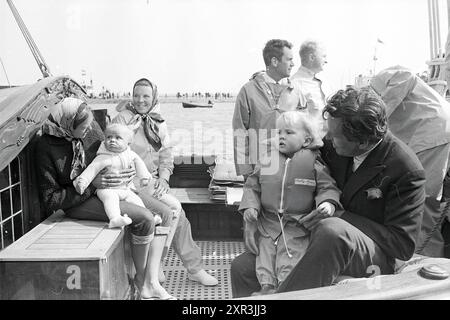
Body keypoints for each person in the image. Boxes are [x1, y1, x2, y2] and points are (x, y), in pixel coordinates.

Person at [230, 87, 426, 297]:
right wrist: (253, 217)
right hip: (309, 238)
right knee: (242, 267)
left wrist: (339, 215)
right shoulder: (333, 144)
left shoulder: (406, 169)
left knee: (333, 230)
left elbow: (401, 246)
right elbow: (285, 165)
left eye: (333, 135)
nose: (325, 139)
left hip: (372, 256)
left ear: (362, 141)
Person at [35, 97, 176, 300]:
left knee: (164, 212)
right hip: (78, 201)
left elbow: (116, 149)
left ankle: (151, 280)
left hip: (117, 188)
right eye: (82, 127)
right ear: (68, 123)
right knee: (145, 218)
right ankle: (144, 282)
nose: (88, 130)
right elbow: (51, 200)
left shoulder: (91, 128)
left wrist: (126, 172)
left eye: (89, 125)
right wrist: (93, 185)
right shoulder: (45, 147)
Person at [113, 78, 218, 286]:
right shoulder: (121, 119)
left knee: (179, 214)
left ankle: (188, 268)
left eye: (146, 96)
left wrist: (164, 177)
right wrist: (130, 132)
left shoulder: (158, 122)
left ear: (154, 98)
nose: (141, 100)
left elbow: (166, 155)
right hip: (128, 184)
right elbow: (113, 150)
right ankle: (174, 266)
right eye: (137, 95)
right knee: (172, 212)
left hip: (150, 182)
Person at [240, 111, 342, 296]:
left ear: (306, 140)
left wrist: (328, 203)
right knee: (265, 255)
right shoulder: (267, 160)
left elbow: (328, 187)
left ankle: (285, 290)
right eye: (279, 133)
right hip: (268, 223)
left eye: (289, 133)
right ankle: (267, 287)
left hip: (297, 224)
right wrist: (250, 206)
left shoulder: (314, 162)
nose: (281, 137)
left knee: (291, 256)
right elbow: (252, 186)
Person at [370, 65, 450, 257]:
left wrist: (372, 116)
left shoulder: (393, 75)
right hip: (430, 136)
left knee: (421, 202)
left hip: (430, 136)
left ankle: (425, 261)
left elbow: (405, 78)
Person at [232, 39, 308, 181]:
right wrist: (245, 171)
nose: (293, 64)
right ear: (274, 61)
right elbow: (239, 132)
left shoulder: (297, 91)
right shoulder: (248, 91)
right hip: (258, 169)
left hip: (290, 169)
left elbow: (305, 131)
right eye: (289, 59)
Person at [73, 123, 164, 228]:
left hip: (125, 189)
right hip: (107, 189)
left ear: (128, 142)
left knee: (136, 200)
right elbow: (91, 170)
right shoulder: (102, 157)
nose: (112, 140)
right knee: (110, 199)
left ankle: (151, 216)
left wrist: (144, 177)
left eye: (118, 138)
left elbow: (140, 165)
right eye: (109, 137)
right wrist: (82, 182)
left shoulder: (131, 155)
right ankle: (114, 218)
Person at [290, 40, 328, 137]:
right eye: (323, 56)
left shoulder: (324, 82)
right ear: (311, 57)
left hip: (328, 143)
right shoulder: (294, 85)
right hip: (310, 146)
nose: (326, 60)